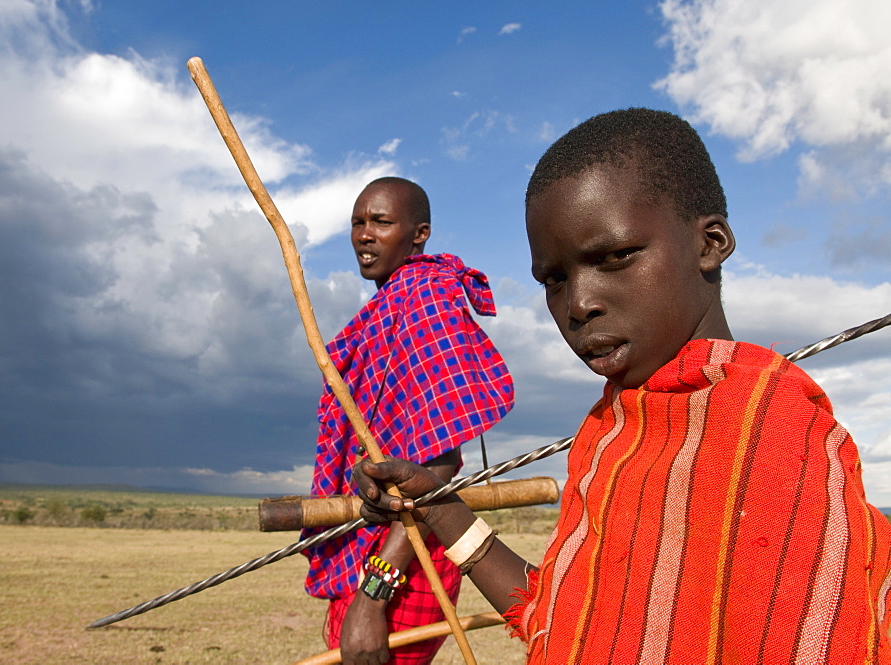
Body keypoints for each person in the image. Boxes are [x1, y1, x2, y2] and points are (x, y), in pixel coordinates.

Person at [354, 110, 891, 663]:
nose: (579, 303)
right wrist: (440, 509)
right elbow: (569, 623)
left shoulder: (766, 429)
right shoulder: (613, 430)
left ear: (710, 244)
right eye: (554, 279)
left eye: (615, 257)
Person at [302, 176, 515, 664]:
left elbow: (436, 465)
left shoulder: (423, 299)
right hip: (382, 544)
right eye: (357, 222)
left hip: (406, 554)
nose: (364, 234)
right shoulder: (391, 304)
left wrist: (372, 596)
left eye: (381, 221)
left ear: (419, 233)